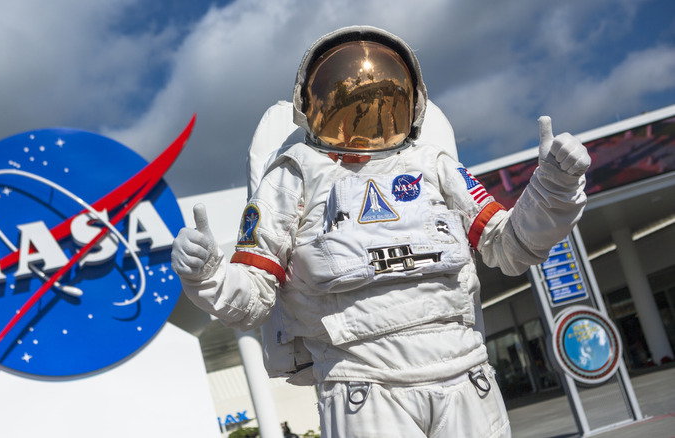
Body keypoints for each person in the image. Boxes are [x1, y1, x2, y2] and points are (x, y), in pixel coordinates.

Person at [172, 26, 590, 438]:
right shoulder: (294, 172)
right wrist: (208, 274)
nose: (363, 116)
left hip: (464, 371)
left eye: (381, 100)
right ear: (308, 106)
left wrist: (553, 187)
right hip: (363, 381)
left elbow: (511, 246)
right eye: (346, 102)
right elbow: (253, 295)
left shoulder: (434, 163)